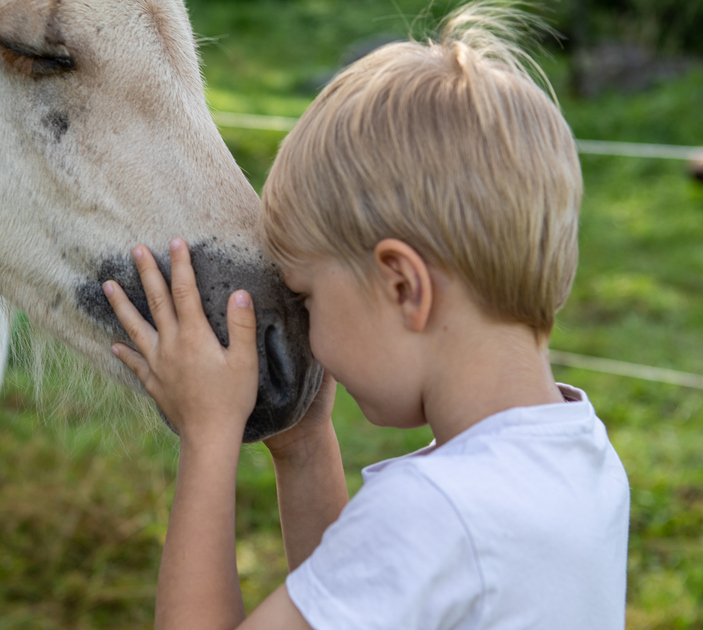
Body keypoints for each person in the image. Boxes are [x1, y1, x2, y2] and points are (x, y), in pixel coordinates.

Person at [100, 2, 630, 628]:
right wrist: (304, 449)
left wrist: (208, 435)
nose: (312, 342)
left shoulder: (433, 513)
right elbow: (352, 603)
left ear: (403, 285)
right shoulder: (578, 457)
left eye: (308, 299)